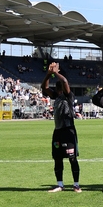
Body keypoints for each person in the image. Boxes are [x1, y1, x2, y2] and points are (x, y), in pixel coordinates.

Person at [41, 62, 80, 192]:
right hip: (58, 131)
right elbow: (44, 87)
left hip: (69, 131)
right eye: (57, 89)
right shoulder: (56, 97)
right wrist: (48, 75)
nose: (59, 91)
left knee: (72, 158)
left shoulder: (69, 96)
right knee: (57, 158)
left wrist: (56, 73)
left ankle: (76, 184)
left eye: (60, 89)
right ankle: (60, 184)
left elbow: (64, 80)